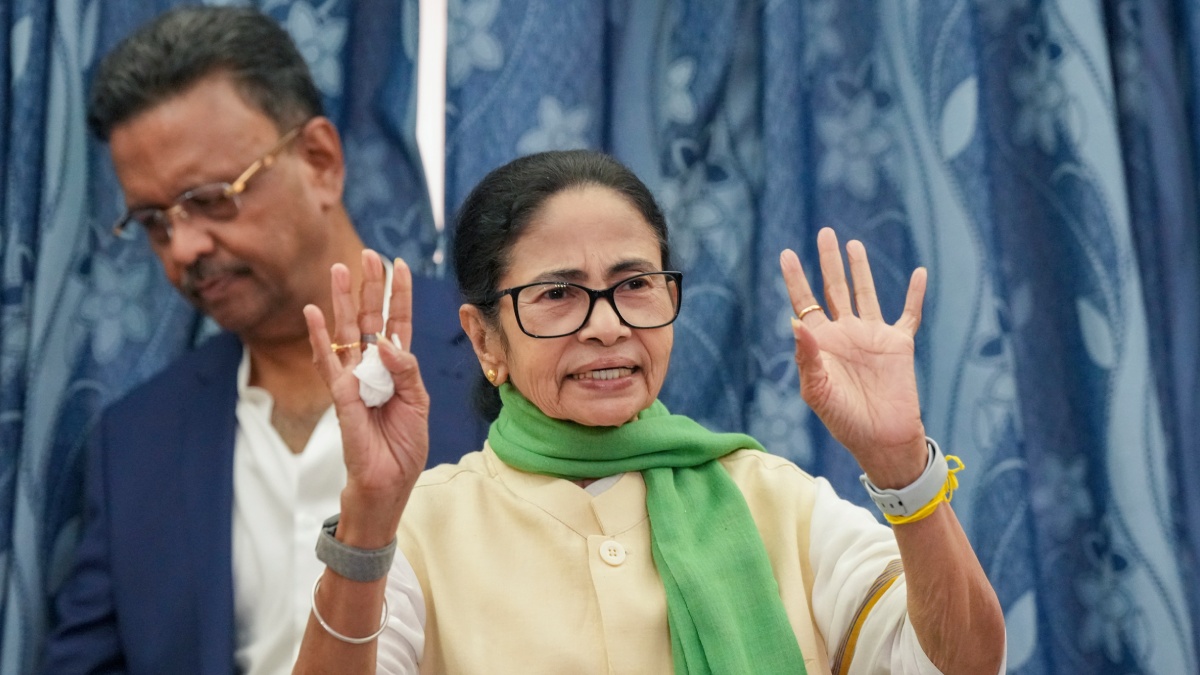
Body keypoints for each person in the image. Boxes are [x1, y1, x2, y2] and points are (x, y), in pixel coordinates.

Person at [292, 150, 1007, 674]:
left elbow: (962, 665)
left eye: (634, 284)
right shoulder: (421, 532)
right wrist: (370, 518)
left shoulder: (773, 501)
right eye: (558, 294)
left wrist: (901, 466)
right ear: (485, 339)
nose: (607, 325)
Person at [41, 7, 483, 674]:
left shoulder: (504, 358)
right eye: (155, 222)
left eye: (211, 197)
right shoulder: (133, 443)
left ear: (320, 161)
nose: (184, 248)